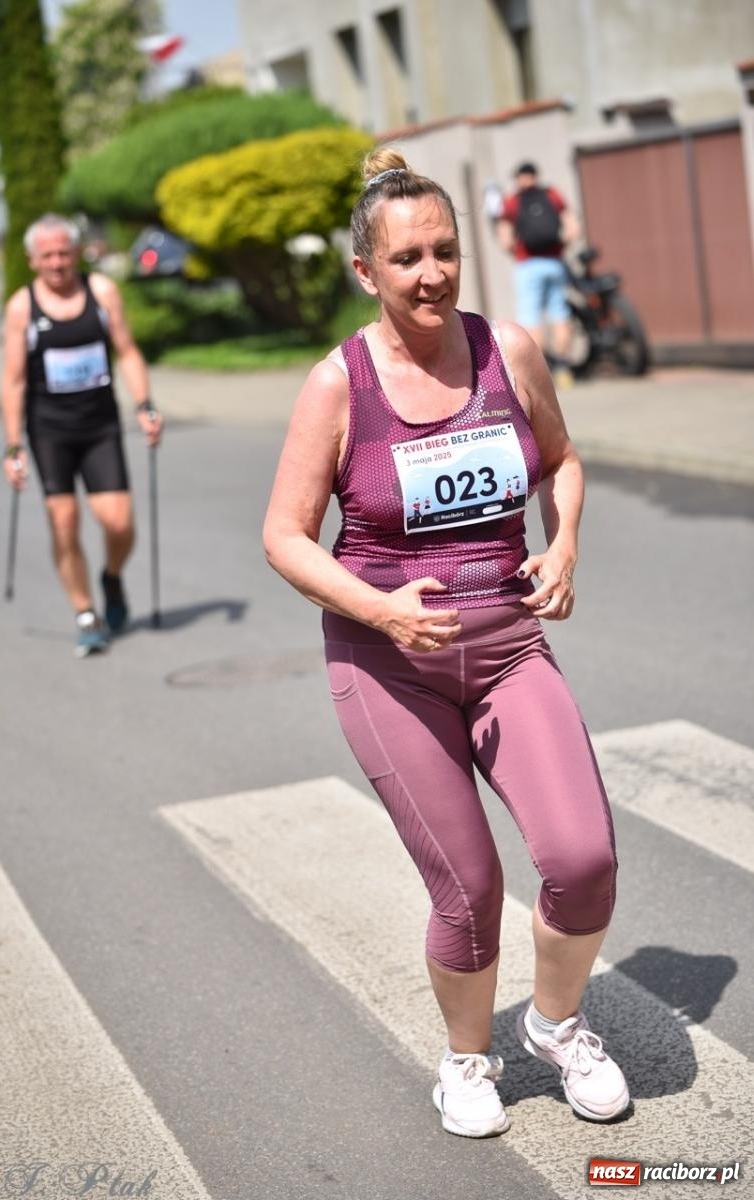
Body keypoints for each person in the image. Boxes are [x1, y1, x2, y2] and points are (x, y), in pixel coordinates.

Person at [263, 148, 629, 1138]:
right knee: (468, 888)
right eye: (406, 259)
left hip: (508, 645)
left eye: (444, 252)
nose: (430, 274)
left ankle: (555, 1026)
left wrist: (563, 542)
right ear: (365, 272)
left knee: (583, 859)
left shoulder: (507, 350)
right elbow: (285, 536)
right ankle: (467, 1061)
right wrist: (381, 611)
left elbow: (561, 459)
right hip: (390, 667)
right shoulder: (337, 385)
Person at [0, 213, 163, 657]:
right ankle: (85, 613)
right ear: (32, 260)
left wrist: (145, 405)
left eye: (63, 253)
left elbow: (127, 352)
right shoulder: (22, 307)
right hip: (49, 430)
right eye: (47, 255)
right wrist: (13, 445)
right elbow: (13, 380)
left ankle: (111, 577)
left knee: (119, 523)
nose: (57, 263)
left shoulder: (101, 292)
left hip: (99, 425)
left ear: (76, 253)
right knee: (64, 521)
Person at [496, 161, 580, 390]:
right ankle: (563, 368)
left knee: (531, 317)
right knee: (560, 314)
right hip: (554, 262)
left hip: (528, 264)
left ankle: (541, 373)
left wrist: (514, 251)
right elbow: (572, 227)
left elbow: (504, 236)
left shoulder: (513, 201)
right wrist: (562, 246)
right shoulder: (552, 194)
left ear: (518, 178)